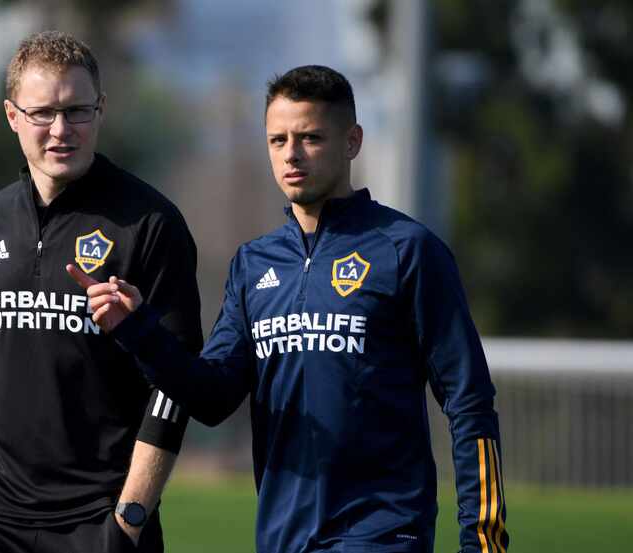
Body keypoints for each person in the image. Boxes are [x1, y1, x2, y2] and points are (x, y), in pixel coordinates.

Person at [70, 65, 509, 553]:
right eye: (277, 140)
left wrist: (483, 541)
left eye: (310, 138)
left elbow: (469, 403)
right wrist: (139, 331)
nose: (291, 155)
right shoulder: (253, 263)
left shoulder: (409, 251)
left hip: (383, 535)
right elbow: (213, 398)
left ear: (352, 141)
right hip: (283, 539)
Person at [0, 31, 202, 553]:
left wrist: (129, 520)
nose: (61, 130)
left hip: (97, 524)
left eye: (78, 111)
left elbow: (176, 387)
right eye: (43, 112)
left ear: (102, 110)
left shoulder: (151, 224)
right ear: (12, 116)